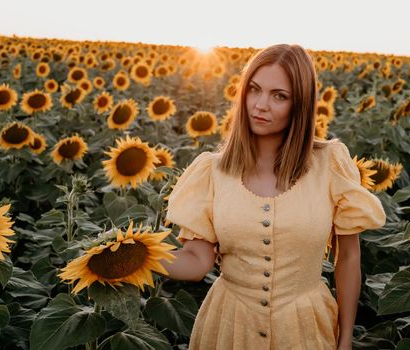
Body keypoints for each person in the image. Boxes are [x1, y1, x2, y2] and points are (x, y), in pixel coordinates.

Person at [160, 44, 386, 350]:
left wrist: (345, 338)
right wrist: (136, 258)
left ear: (300, 105)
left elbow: (348, 257)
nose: (261, 104)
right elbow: (198, 261)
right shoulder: (212, 170)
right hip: (229, 328)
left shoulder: (329, 164)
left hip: (305, 327)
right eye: (254, 90)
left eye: (279, 96)